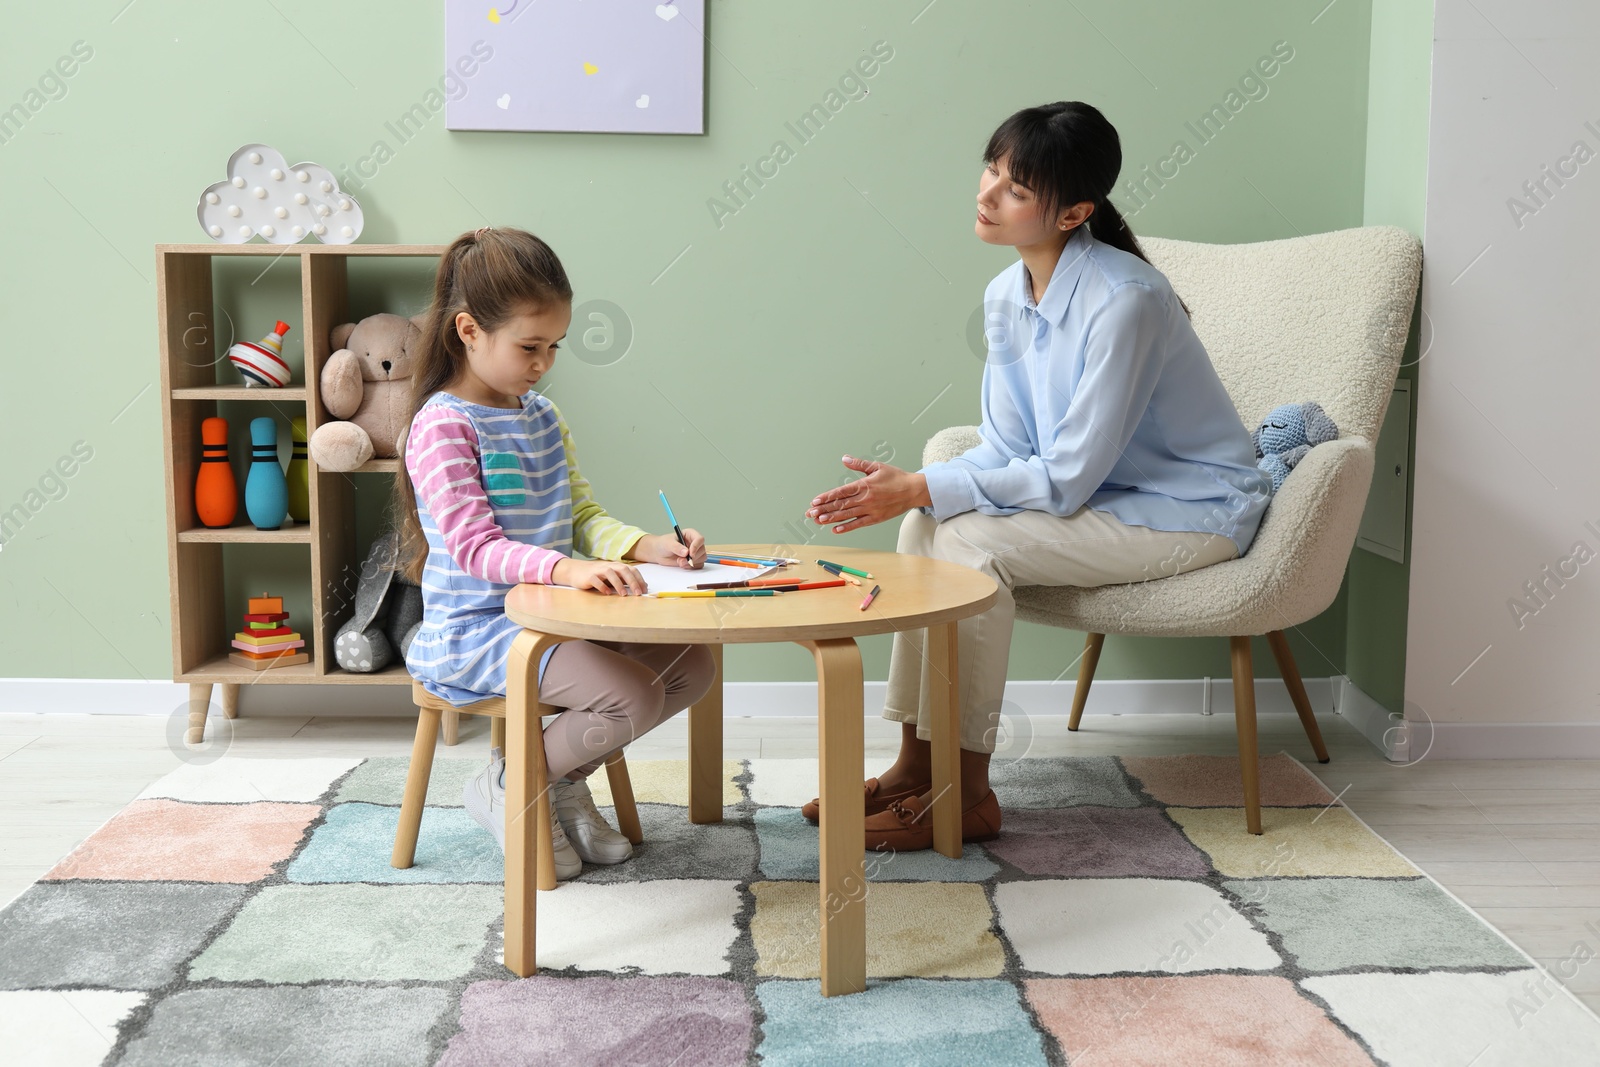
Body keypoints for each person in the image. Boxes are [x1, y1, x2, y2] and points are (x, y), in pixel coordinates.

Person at [802, 102, 1274, 851]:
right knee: (923, 526)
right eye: (992, 168)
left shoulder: (1127, 302)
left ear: (1075, 211)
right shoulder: (1005, 296)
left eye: (1016, 187)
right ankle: (914, 768)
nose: (987, 192)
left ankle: (967, 792)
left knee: (966, 546)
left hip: (1190, 514)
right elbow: (1006, 446)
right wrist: (915, 489)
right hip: (1113, 503)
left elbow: (1068, 478)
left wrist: (926, 482)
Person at [394, 226, 717, 878]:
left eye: (554, 347)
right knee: (632, 695)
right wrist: (568, 568)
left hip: (556, 615)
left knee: (692, 665)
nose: (543, 363)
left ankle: (557, 776)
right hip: (482, 630)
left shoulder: (542, 416)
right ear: (468, 331)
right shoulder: (442, 426)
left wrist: (645, 545)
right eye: (529, 346)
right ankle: (515, 782)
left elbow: (582, 515)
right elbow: (476, 546)